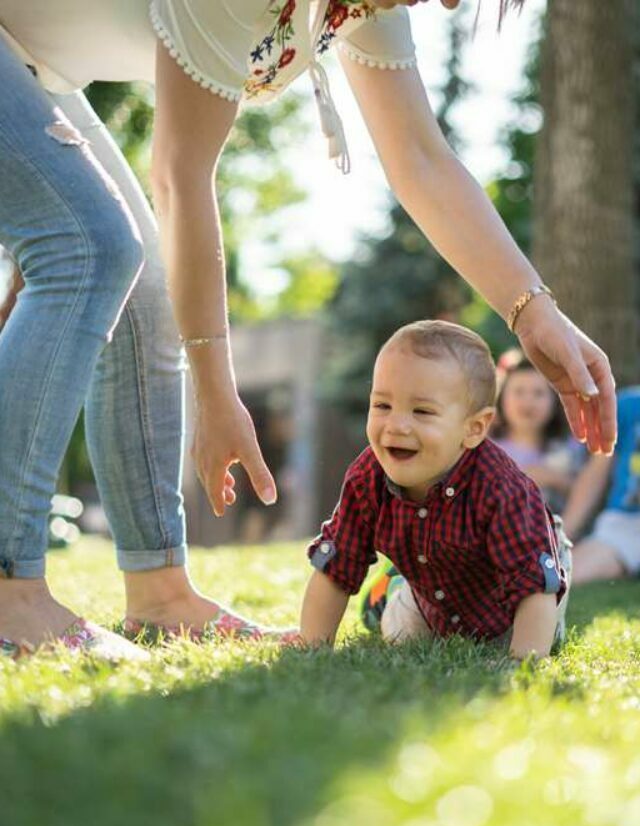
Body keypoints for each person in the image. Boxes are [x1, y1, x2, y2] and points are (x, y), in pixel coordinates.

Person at [0, 0, 613, 658]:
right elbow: (179, 174)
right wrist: (214, 387)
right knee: (92, 245)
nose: (452, 4)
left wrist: (534, 311)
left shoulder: (371, 4)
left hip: (29, 62)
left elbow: (420, 160)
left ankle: (159, 592)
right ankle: (10, 591)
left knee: (143, 274)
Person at [301, 321, 572, 659]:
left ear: (474, 429)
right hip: (433, 598)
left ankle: (396, 586)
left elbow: (533, 585)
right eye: (382, 405)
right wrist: (311, 647)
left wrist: (525, 664)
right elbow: (336, 564)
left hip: (513, 602)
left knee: (542, 638)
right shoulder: (367, 478)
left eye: (422, 411)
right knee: (402, 636)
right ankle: (392, 592)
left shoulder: (503, 489)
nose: (396, 426)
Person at [492, 350, 586, 514]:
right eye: (518, 392)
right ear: (501, 398)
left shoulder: (570, 446)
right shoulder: (487, 447)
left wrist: (553, 478)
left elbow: (589, 493)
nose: (528, 402)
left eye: (538, 393)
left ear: (555, 402)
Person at [562, 387, 640, 585]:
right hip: (626, 524)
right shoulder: (626, 405)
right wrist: (561, 536)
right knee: (561, 577)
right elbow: (595, 475)